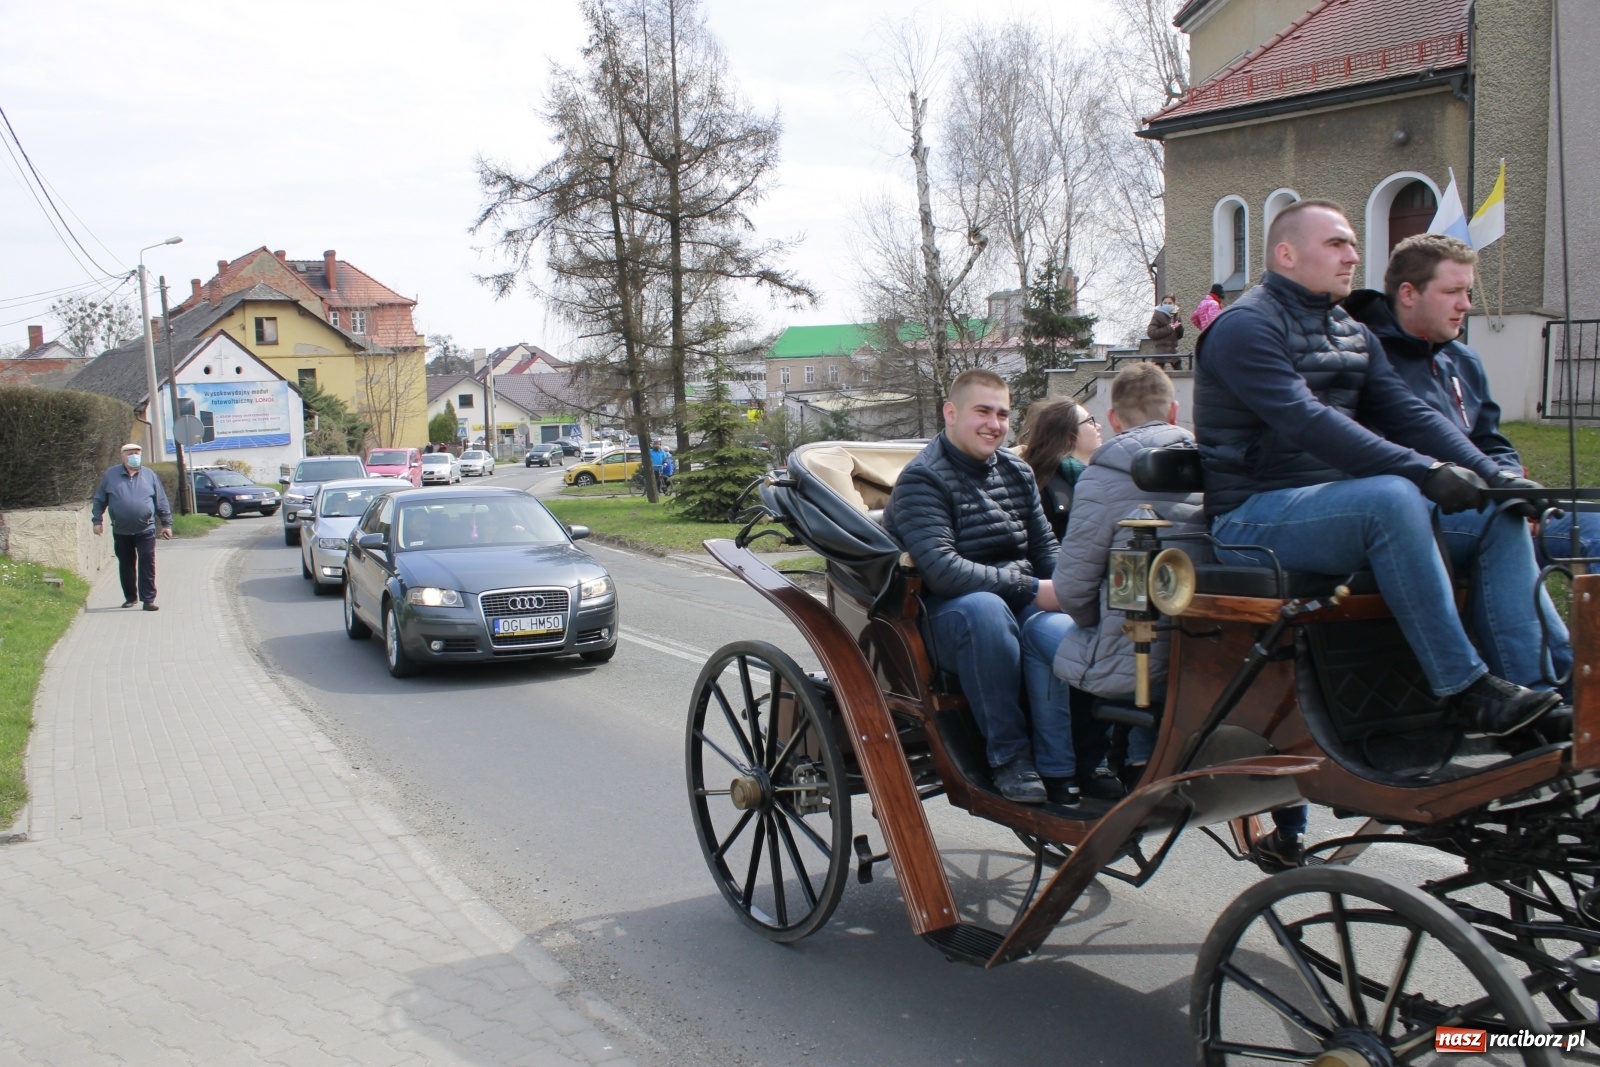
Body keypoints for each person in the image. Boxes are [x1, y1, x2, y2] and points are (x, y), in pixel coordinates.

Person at [1196, 198, 1564, 742]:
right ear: (1286, 254)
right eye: (1336, 244)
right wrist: (1425, 472)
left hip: (1336, 509)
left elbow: (1410, 415)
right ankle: (1465, 689)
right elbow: (1308, 421)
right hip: (1252, 519)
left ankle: (1536, 698)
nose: (1353, 256)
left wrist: (1497, 478)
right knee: (1391, 497)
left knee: (1496, 514)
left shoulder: (1351, 330)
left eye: (1351, 244)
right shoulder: (1243, 327)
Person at [1051, 363, 1310, 863]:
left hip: (1140, 654)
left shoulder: (1102, 477)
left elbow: (1074, 589)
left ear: (1115, 419)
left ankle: (1081, 778)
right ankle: (1289, 825)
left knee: (1054, 647)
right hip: (1220, 653)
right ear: (1174, 411)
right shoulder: (1214, 462)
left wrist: (1090, 619)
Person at [1343, 233, 1573, 694]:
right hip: (1424, 509)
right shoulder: (1367, 358)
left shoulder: (1464, 360)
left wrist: (1511, 479)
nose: (1466, 304)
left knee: (1594, 530)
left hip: (1492, 497)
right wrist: (1500, 493)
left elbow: (1491, 440)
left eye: (1468, 291)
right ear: (1408, 293)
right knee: (1501, 521)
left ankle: (1572, 682)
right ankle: (1545, 691)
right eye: (1453, 291)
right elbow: (1380, 452)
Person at [885, 369, 1074, 804]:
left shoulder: (1017, 471)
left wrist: (1069, 589)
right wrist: (1033, 589)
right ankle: (1009, 758)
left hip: (1014, 599)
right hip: (943, 616)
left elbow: (1046, 548)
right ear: (951, 413)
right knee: (985, 611)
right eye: (983, 411)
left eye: (1003, 414)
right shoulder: (922, 479)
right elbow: (943, 571)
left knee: (1065, 628)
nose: (995, 424)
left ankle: (1078, 762)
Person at [91, 443, 173, 611]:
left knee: (147, 563)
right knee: (126, 564)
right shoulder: (111, 475)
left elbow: (161, 500)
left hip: (146, 529)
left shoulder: (149, 475)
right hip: (122, 530)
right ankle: (130, 597)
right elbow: (99, 500)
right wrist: (97, 521)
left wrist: (166, 524)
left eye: (137, 453)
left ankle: (148, 599)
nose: (134, 456)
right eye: (130, 453)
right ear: (123, 457)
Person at [1017, 398, 1103, 541]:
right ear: (1069, 437)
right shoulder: (1044, 489)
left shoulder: (1096, 479)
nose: (1098, 426)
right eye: (1089, 421)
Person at [1147, 294, 1184, 360]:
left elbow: (1180, 336)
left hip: (1173, 351)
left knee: (1178, 365)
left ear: (1174, 304)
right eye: (1165, 303)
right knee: (1159, 366)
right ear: (1162, 303)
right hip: (1160, 352)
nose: (1167, 305)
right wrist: (1170, 327)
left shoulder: (1176, 315)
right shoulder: (1157, 315)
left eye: (1169, 303)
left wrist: (1179, 328)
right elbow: (1151, 333)